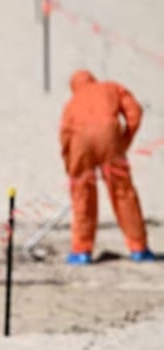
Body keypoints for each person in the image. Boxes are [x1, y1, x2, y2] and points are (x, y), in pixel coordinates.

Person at [60, 70, 153, 264]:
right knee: (123, 193)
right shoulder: (111, 87)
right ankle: (138, 248)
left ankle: (81, 251)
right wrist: (124, 140)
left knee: (82, 195)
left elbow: (65, 136)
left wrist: (71, 166)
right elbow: (134, 112)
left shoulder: (72, 103)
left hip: (80, 142)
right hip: (109, 137)